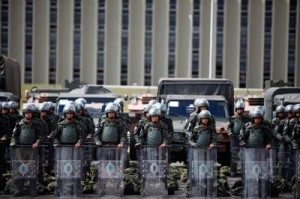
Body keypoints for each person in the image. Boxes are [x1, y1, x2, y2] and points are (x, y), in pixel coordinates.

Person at [10, 103, 43, 197]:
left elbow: (40, 136)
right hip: (21, 150)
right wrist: (13, 143)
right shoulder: (19, 123)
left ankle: (32, 188)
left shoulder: (36, 123)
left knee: (32, 168)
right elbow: (14, 136)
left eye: (29, 113)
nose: (28, 115)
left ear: (32, 113)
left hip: (32, 150)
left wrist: (37, 143)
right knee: (20, 169)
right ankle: (19, 189)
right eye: (26, 113)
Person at [52, 103, 85, 197]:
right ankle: (59, 190)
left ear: (73, 114)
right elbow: (55, 137)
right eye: (67, 113)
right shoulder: (60, 125)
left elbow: (81, 136)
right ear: (65, 114)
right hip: (63, 150)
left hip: (75, 149)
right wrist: (56, 142)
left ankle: (77, 190)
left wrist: (79, 142)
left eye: (71, 113)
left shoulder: (78, 124)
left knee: (75, 169)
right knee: (62, 169)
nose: (69, 115)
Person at [227, 99, 250, 177]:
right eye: (238, 109)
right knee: (234, 155)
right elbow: (229, 127)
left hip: (244, 139)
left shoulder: (247, 119)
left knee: (245, 155)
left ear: (243, 110)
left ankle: (245, 171)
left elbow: (249, 127)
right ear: (236, 110)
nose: (240, 110)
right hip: (235, 138)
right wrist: (230, 133)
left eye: (241, 109)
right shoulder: (232, 118)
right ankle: (233, 171)